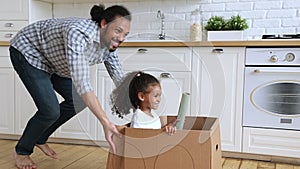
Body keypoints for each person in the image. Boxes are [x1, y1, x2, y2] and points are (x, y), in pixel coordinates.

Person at [9, 4, 131, 169]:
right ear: (104, 24)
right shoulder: (78, 33)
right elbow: (82, 83)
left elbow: (118, 76)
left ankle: (40, 138)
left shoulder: (109, 43)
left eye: (125, 34)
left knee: (78, 101)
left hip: (54, 61)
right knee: (50, 111)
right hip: (29, 52)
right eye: (118, 31)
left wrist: (139, 97)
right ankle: (22, 151)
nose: (122, 38)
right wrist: (106, 122)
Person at [110, 71, 177, 135]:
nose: (159, 100)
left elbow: (155, 131)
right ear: (142, 96)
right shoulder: (139, 118)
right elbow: (141, 137)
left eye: (159, 95)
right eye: (155, 96)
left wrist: (167, 127)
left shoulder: (153, 115)